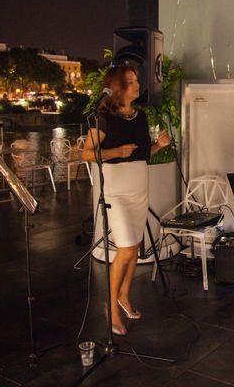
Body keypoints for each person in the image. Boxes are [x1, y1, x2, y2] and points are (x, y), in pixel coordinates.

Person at [82, 60, 170, 336]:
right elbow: (85, 154)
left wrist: (159, 145)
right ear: (118, 86)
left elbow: (143, 153)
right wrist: (115, 152)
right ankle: (110, 307)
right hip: (116, 191)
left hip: (139, 189)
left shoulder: (140, 117)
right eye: (131, 81)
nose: (137, 85)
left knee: (134, 246)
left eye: (136, 80)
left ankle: (124, 295)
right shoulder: (103, 117)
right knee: (127, 249)